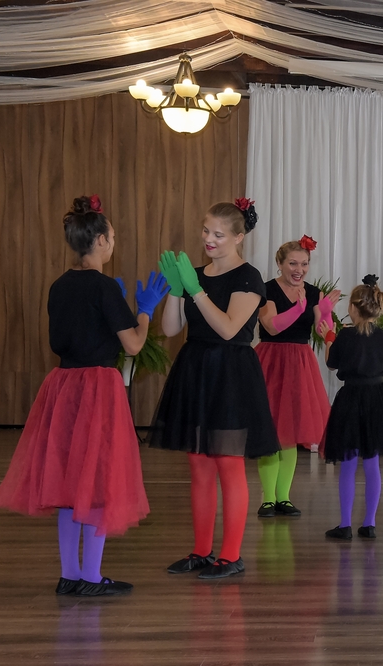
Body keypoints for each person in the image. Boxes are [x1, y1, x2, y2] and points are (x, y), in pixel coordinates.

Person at [0, 195, 167, 596]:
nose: (113, 242)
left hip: (63, 386)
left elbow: (65, 337)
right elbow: (134, 345)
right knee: (98, 480)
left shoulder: (58, 286)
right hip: (98, 389)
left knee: (70, 485)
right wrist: (144, 310)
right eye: (113, 237)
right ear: (101, 240)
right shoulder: (104, 287)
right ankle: (91, 578)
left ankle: (69, 574)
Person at [150, 197, 280, 579]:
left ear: (239, 237)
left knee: (228, 464)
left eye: (219, 235)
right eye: (206, 231)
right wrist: (177, 290)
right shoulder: (195, 274)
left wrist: (196, 291)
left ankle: (231, 555)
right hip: (196, 369)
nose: (209, 239)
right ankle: (201, 551)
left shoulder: (248, 277)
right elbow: (171, 329)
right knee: (199, 464)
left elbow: (228, 329)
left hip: (231, 373)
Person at [254, 235, 340, 518]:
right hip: (270, 360)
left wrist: (326, 317)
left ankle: (283, 498)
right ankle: (268, 499)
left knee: (289, 434)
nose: (299, 269)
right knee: (271, 431)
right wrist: (298, 309)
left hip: (300, 364)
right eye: (293, 263)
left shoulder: (313, 293)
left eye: (304, 264)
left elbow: (323, 330)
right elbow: (271, 326)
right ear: (279, 264)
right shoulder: (266, 289)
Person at [319, 275, 383, 540]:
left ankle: (345, 524)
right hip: (378, 399)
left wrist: (328, 338)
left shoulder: (346, 336)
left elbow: (332, 364)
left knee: (348, 463)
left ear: (353, 308)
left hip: (351, 399)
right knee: (371, 462)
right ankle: (369, 523)